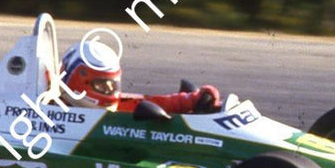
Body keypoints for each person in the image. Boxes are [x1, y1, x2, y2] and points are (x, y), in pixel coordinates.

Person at [60, 41, 221, 114]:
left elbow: (145, 103)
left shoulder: (109, 111)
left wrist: (190, 99)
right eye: (102, 85)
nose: (110, 92)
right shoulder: (53, 113)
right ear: (78, 82)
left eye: (112, 85)